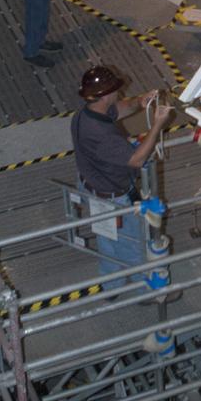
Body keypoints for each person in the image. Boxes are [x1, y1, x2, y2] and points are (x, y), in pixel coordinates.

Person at [71, 65, 173, 291]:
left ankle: (112, 286)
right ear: (105, 95)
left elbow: (120, 108)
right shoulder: (100, 133)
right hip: (111, 197)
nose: (119, 93)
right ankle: (141, 290)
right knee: (132, 244)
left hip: (94, 188)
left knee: (107, 243)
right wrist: (157, 125)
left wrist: (141, 102)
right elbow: (136, 160)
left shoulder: (87, 113)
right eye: (115, 90)